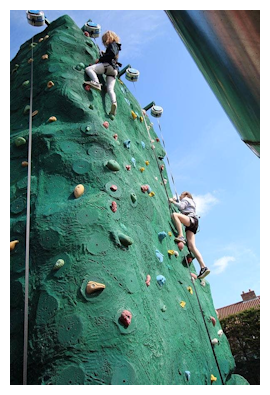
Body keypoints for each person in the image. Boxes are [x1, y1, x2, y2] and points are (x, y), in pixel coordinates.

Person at [169, 191, 210, 279]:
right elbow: (183, 207)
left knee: (175, 215)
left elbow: (181, 207)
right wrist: (176, 201)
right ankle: (203, 267)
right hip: (193, 223)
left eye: (181, 195)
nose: (180, 196)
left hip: (191, 220)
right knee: (192, 247)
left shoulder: (186, 199)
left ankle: (180, 235)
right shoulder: (192, 202)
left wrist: (173, 201)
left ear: (186, 195)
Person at [84, 30, 122, 116]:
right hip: (114, 71)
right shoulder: (116, 47)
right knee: (110, 89)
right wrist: (104, 54)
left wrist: (100, 59)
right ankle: (114, 103)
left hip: (108, 66)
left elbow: (111, 54)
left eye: (105, 40)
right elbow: (112, 54)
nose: (104, 43)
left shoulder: (113, 45)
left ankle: (96, 82)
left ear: (108, 38)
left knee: (89, 69)